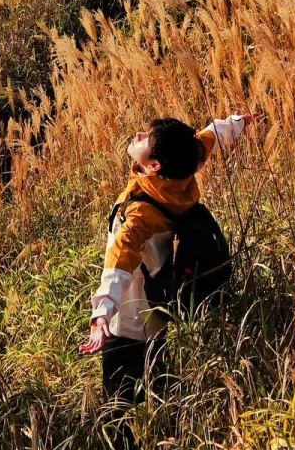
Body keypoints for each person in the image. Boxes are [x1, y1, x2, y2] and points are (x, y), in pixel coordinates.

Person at [79, 112, 265, 408]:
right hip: (156, 308)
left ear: (153, 166)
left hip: (129, 317)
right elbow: (208, 138)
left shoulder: (143, 214)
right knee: (156, 377)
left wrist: (102, 313)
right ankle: (169, 417)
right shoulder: (182, 171)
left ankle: (127, 445)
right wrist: (238, 122)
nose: (138, 135)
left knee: (121, 399)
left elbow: (120, 259)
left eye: (145, 139)